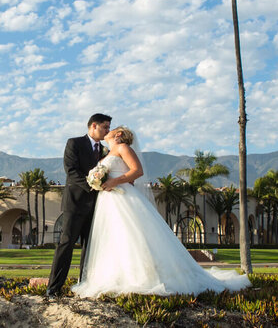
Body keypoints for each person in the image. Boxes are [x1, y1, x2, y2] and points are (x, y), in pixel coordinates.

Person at [72, 126, 251, 297]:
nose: (106, 130)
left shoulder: (122, 147)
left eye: (110, 128)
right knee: (115, 237)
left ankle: (141, 277)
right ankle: (114, 275)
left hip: (124, 197)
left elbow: (137, 171)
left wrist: (114, 182)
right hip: (108, 201)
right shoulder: (107, 153)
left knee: (131, 235)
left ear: (118, 134)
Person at [46, 113, 112, 297]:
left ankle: (84, 286)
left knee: (89, 248)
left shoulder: (106, 150)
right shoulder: (74, 143)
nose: (108, 131)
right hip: (75, 205)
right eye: (105, 127)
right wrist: (94, 185)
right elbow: (71, 171)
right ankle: (53, 288)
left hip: (97, 208)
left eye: (108, 128)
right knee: (66, 244)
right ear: (93, 126)